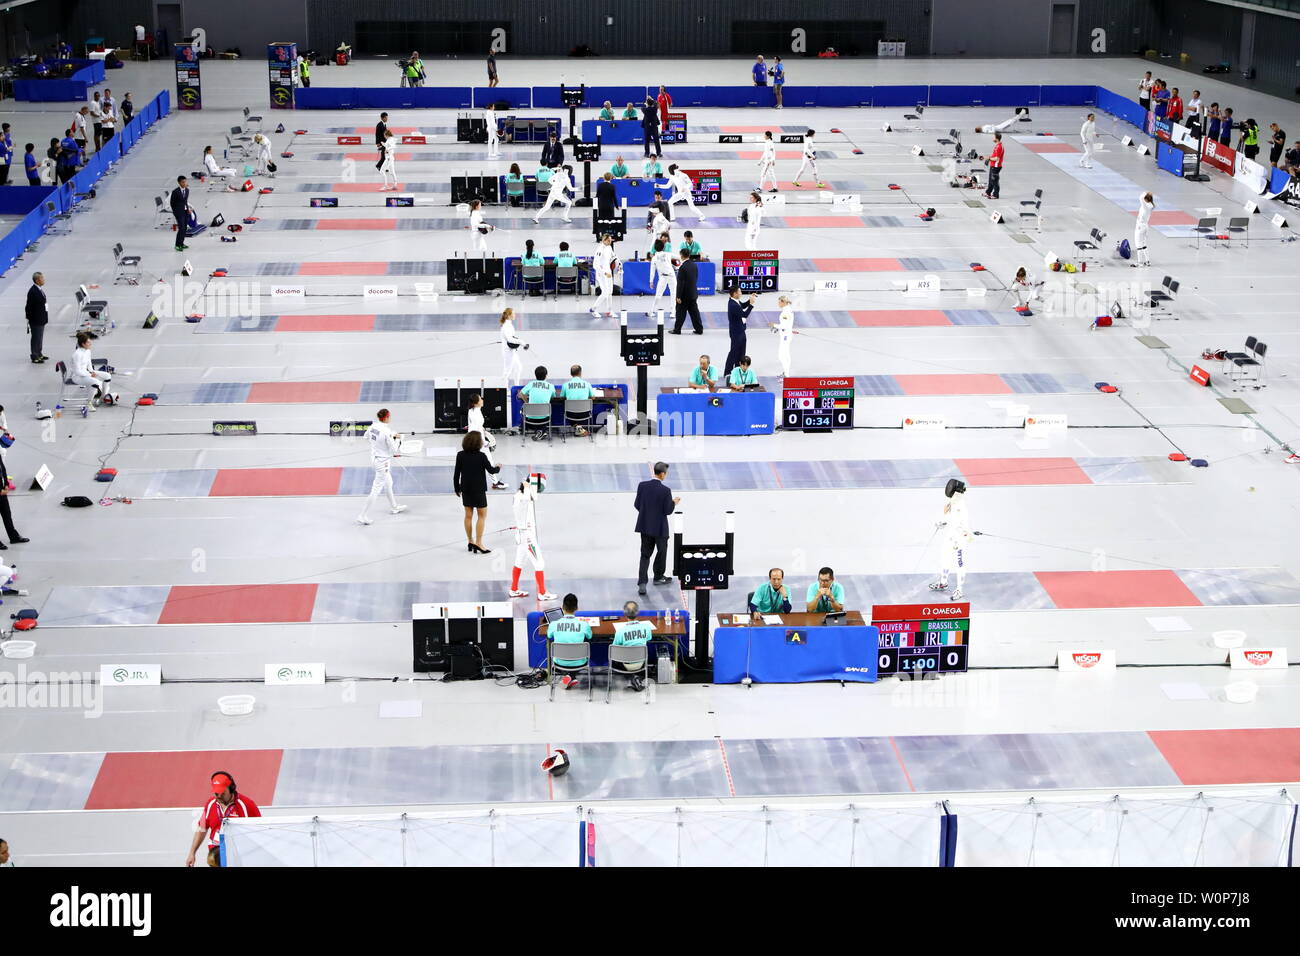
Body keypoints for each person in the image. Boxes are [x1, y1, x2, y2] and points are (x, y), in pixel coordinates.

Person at [187, 771, 261, 867]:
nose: (219, 796)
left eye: (222, 793)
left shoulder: (247, 805)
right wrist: (192, 853)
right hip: (215, 857)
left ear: (231, 789)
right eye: (216, 793)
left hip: (238, 857)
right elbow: (202, 828)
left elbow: (259, 830)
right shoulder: (210, 804)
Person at [633, 462, 678, 595]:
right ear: (662, 474)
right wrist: (673, 503)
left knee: (645, 555)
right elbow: (668, 510)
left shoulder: (642, 486)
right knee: (661, 551)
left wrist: (647, 514)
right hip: (660, 528)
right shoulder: (666, 491)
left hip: (645, 526)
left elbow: (637, 504)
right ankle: (658, 576)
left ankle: (642, 583)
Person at [356, 409, 407, 525]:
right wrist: (399, 439)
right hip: (382, 463)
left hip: (374, 459)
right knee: (376, 490)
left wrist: (390, 437)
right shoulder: (386, 431)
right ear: (387, 417)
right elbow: (394, 450)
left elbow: (366, 437)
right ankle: (362, 515)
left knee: (389, 483)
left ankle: (394, 507)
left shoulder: (373, 426)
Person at [508, 476, 555, 600]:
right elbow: (528, 497)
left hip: (522, 535)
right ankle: (542, 593)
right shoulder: (522, 497)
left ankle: (514, 589)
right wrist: (528, 486)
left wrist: (528, 485)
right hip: (526, 536)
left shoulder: (520, 494)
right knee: (539, 563)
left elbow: (533, 497)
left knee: (519, 562)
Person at [454, 431, 500, 554]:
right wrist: (499, 467)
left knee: (468, 516)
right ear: (478, 443)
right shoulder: (481, 456)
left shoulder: (460, 455)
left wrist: (456, 488)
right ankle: (479, 543)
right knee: (481, 516)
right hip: (479, 490)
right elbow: (491, 470)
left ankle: (470, 541)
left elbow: (456, 474)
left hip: (466, 489)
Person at [930, 478, 972, 600]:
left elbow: (960, 523)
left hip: (960, 539)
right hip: (950, 536)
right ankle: (943, 582)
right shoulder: (951, 503)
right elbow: (948, 519)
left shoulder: (961, 506)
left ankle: (959, 590)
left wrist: (965, 532)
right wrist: (942, 523)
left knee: (960, 563)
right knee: (945, 558)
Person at [466, 392, 508, 490]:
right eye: (480, 399)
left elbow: (475, 427)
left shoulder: (473, 410)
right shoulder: (476, 414)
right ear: (476, 403)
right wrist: (485, 443)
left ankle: (494, 482)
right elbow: (474, 429)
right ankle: (495, 483)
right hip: (478, 442)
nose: (482, 400)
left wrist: (483, 431)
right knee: (488, 461)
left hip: (475, 440)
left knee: (475, 462)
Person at [549, 593, 591, 685]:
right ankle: (571, 675)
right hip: (580, 662)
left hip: (559, 662)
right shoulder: (584, 625)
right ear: (577, 608)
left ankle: (568, 675)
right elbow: (590, 636)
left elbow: (549, 635)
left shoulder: (553, 624)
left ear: (562, 607)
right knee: (586, 640)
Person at [611, 600, 653, 691]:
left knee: (614, 658)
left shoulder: (620, 632)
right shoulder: (646, 628)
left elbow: (614, 649)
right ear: (638, 613)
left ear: (625, 614)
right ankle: (636, 677)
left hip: (625, 665)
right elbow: (648, 638)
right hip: (642, 663)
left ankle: (633, 677)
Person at [71, 331, 113, 406]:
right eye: (88, 342)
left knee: (107, 376)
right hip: (77, 377)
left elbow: (89, 364)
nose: (91, 344)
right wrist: (90, 375)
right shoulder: (77, 354)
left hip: (86, 373)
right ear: (83, 344)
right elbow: (77, 371)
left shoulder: (88, 351)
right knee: (95, 382)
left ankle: (103, 397)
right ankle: (89, 402)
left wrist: (92, 371)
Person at [725, 286, 755, 376]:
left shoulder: (735, 301)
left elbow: (742, 305)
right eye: (740, 291)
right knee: (734, 352)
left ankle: (738, 369)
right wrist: (751, 305)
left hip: (741, 330)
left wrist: (750, 300)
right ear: (735, 293)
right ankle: (728, 372)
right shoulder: (733, 305)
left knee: (742, 351)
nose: (741, 293)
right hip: (736, 332)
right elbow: (744, 314)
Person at [672, 253, 702, 334]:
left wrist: (678, 296)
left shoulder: (682, 267)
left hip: (684, 295)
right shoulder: (694, 265)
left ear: (681, 256)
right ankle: (699, 329)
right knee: (695, 313)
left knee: (680, 313)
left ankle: (677, 329)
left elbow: (680, 283)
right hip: (693, 293)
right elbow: (695, 278)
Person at [647, 238, 676, 315]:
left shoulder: (654, 258)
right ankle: (673, 312)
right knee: (673, 294)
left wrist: (651, 281)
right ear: (663, 247)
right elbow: (679, 257)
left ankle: (652, 311)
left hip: (665, 277)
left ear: (655, 248)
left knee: (658, 295)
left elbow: (652, 271)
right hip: (669, 276)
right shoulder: (667, 254)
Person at [499, 307, 527, 385]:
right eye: (513, 314)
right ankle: (503, 389)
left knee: (518, 368)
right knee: (507, 372)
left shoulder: (508, 324)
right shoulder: (506, 326)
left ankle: (516, 386)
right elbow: (510, 339)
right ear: (509, 315)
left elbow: (510, 337)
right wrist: (521, 342)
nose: (515, 315)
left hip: (512, 351)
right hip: (508, 352)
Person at [591, 233, 616, 318]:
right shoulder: (599, 250)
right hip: (601, 274)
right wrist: (604, 272)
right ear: (603, 240)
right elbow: (595, 265)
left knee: (610, 293)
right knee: (605, 292)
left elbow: (613, 257)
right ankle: (593, 309)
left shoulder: (609, 247)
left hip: (608, 272)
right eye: (608, 240)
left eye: (610, 240)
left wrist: (619, 265)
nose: (610, 241)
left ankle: (610, 311)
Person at [26, 271, 47, 364]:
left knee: (40, 337)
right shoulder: (33, 291)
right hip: (36, 319)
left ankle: (39, 353)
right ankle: (34, 356)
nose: (43, 280)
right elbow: (29, 307)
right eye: (42, 278)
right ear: (37, 280)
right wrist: (30, 319)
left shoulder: (39, 289)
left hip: (41, 318)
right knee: (35, 337)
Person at [771, 295, 795, 377]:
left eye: (779, 302)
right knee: (786, 355)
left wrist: (774, 325)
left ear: (783, 302)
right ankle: (786, 373)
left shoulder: (786, 312)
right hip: (786, 334)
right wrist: (778, 328)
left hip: (786, 336)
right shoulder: (787, 309)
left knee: (782, 355)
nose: (778, 304)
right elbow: (785, 325)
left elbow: (784, 326)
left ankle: (786, 374)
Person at [170, 175, 191, 252]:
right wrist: (176, 212)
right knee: (181, 228)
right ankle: (177, 245)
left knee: (185, 228)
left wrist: (188, 209)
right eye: (183, 182)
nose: (185, 183)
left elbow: (185, 201)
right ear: (179, 183)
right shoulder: (175, 192)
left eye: (185, 181)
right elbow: (172, 203)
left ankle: (181, 243)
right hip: (179, 213)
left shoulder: (187, 190)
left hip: (185, 212)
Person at [1133, 191, 1153, 268]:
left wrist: (1145, 192)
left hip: (1140, 227)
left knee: (1138, 245)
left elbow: (1141, 197)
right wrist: (1148, 194)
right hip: (1145, 226)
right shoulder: (1150, 205)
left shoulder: (1145, 205)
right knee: (1144, 244)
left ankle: (1140, 263)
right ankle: (1147, 261)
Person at [984, 131, 1004, 200]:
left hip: (996, 166)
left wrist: (989, 158)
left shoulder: (999, 147)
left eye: (994, 137)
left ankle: (996, 195)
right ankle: (988, 192)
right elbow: (994, 156)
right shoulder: (997, 146)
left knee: (995, 181)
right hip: (993, 165)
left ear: (997, 139)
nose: (993, 138)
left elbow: (997, 158)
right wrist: (989, 158)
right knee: (990, 180)